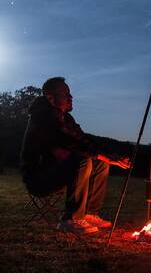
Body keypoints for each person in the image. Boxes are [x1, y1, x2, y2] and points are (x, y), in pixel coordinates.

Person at [20, 77, 130, 234]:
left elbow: (84, 140)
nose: (71, 97)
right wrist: (100, 155)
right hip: (39, 178)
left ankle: (90, 213)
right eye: (65, 94)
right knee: (83, 158)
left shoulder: (66, 119)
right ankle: (70, 219)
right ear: (51, 98)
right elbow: (66, 141)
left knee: (100, 163)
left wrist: (111, 156)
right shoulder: (41, 117)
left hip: (59, 172)